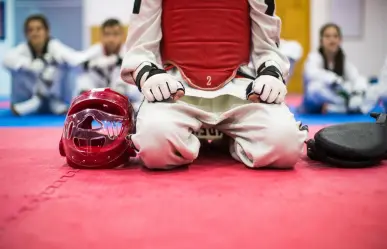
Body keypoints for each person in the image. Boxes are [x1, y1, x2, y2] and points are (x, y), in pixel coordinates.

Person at [120, 0, 308, 170]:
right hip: (177, 89)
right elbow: (140, 49)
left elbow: (269, 49)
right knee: (154, 146)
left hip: (238, 89)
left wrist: (271, 73)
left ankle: (229, 141)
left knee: (286, 144)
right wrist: (149, 74)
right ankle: (202, 140)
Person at [2, 14, 92, 116]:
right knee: (18, 67)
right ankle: (34, 102)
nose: (35, 33)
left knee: (59, 66)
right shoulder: (22, 49)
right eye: (30, 30)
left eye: (38, 29)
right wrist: (30, 65)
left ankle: (52, 101)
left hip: (55, 98)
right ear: (26, 34)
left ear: (47, 31)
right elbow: (5, 61)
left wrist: (55, 61)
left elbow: (75, 59)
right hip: (27, 99)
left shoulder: (55, 46)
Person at [299, 23, 369, 114]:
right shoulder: (314, 57)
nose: (332, 40)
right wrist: (335, 80)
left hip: (334, 99)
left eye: (335, 36)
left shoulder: (343, 60)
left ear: (340, 40)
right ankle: (343, 107)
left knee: (362, 83)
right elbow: (311, 74)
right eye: (327, 36)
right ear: (321, 41)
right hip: (313, 102)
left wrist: (357, 92)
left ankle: (340, 107)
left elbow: (356, 77)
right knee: (314, 88)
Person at [74, 18, 142, 107]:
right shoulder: (95, 51)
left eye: (115, 34)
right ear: (101, 36)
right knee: (84, 77)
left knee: (132, 77)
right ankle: (86, 103)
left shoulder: (130, 52)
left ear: (122, 35)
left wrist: (117, 60)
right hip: (99, 93)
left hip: (123, 94)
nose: (111, 39)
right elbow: (75, 63)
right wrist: (94, 63)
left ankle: (123, 104)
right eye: (107, 34)